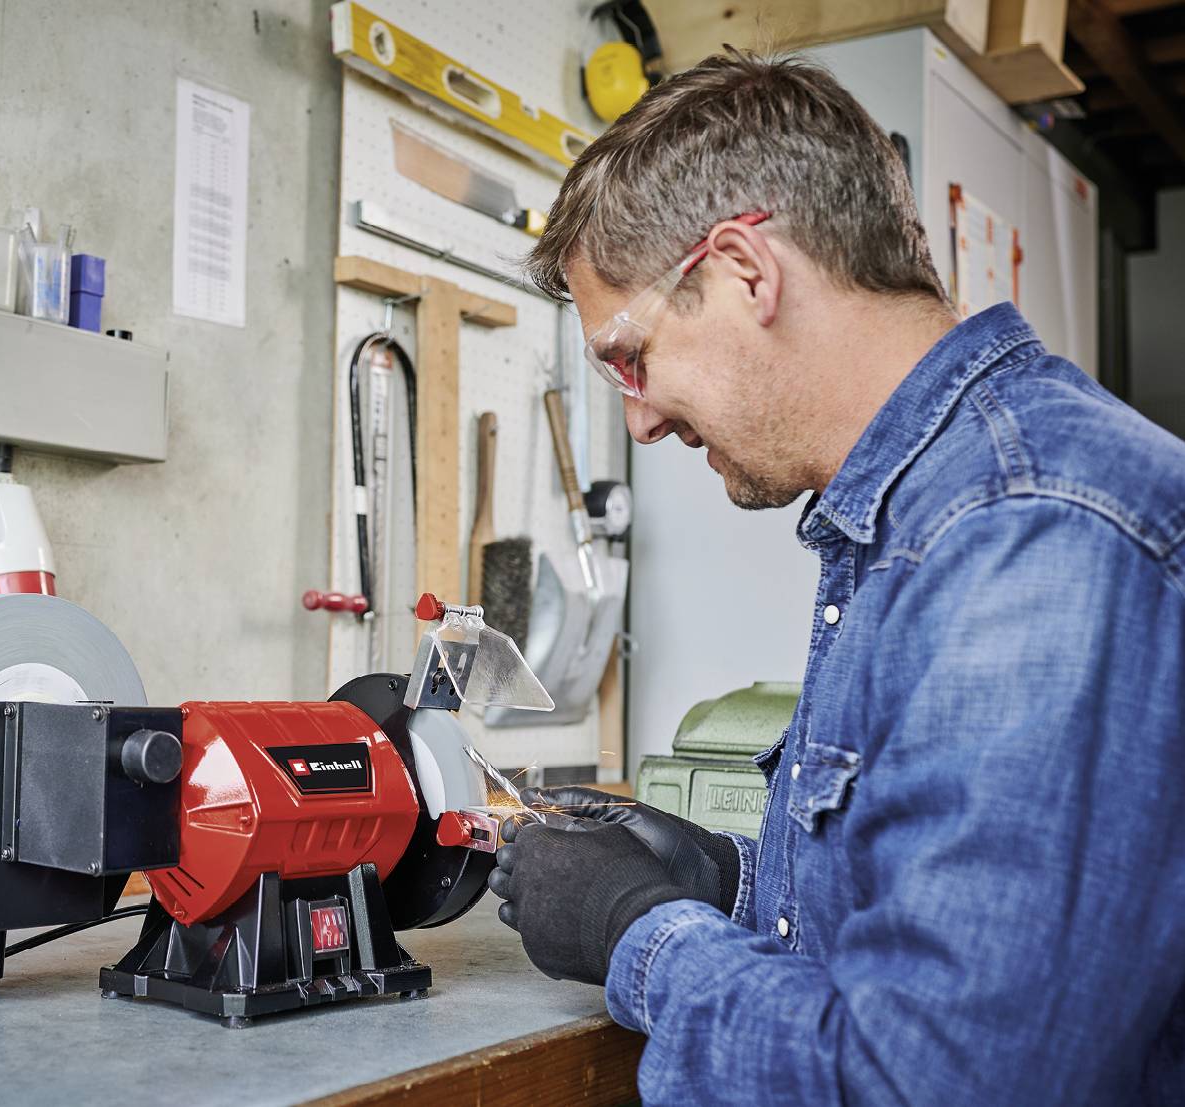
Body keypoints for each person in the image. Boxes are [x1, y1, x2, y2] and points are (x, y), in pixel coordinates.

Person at [488, 49, 1185, 1104]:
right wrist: (727, 881)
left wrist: (637, 932)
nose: (639, 417)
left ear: (742, 273)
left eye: (628, 358)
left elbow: (934, 1082)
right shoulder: (919, 520)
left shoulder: (1024, 532)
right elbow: (921, 904)